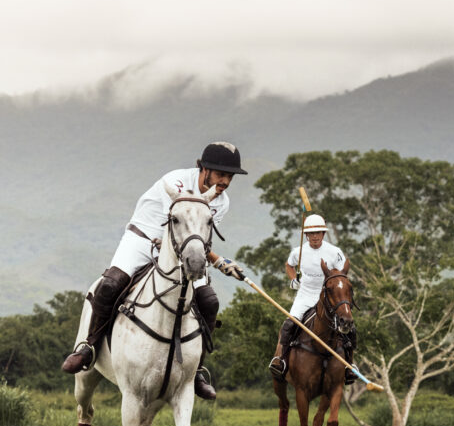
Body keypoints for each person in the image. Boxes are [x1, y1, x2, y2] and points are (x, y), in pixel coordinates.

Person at [61, 142, 249, 400]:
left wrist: (218, 260)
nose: (225, 181)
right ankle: (89, 347)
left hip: (184, 251)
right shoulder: (175, 183)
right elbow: (171, 228)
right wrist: (214, 260)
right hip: (143, 238)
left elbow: (199, 240)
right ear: (203, 168)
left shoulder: (221, 202)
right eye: (220, 174)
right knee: (110, 285)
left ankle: (196, 370)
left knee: (209, 300)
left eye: (230, 176)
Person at [268, 214, 349, 377]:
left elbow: (342, 274)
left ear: (323, 234)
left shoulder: (334, 252)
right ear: (306, 235)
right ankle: (281, 360)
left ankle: (349, 365)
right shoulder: (297, 251)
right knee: (288, 326)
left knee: (348, 327)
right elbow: (289, 265)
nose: (314, 237)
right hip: (304, 296)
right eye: (311, 233)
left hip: (327, 298)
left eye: (318, 233)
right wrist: (293, 280)